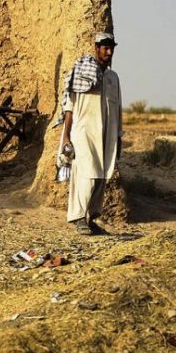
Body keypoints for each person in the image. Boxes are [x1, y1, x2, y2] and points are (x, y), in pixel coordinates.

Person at [59, 32, 123, 234]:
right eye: (105, 48)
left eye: (111, 48)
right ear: (97, 48)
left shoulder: (113, 78)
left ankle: (92, 218)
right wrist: (66, 136)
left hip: (107, 136)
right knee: (87, 175)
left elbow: (118, 109)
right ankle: (78, 218)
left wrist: (119, 137)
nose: (109, 51)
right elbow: (69, 107)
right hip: (84, 133)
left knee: (102, 177)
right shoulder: (82, 73)